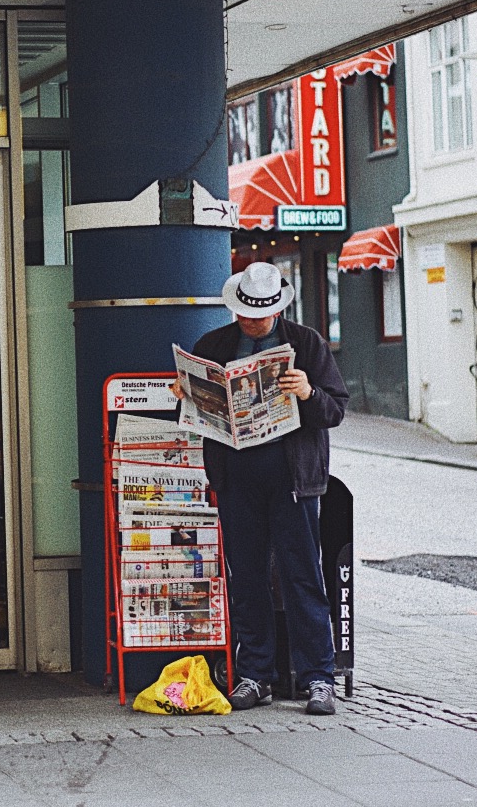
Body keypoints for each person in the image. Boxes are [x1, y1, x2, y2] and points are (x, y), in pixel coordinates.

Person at [171, 262, 348, 715]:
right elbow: (197, 418)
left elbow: (335, 411)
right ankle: (255, 674)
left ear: (277, 307)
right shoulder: (214, 346)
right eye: (246, 314)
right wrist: (189, 394)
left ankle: (318, 678)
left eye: (262, 315)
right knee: (246, 577)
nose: (253, 322)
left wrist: (308, 392)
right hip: (237, 480)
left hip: (293, 481)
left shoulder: (307, 344)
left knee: (302, 576)